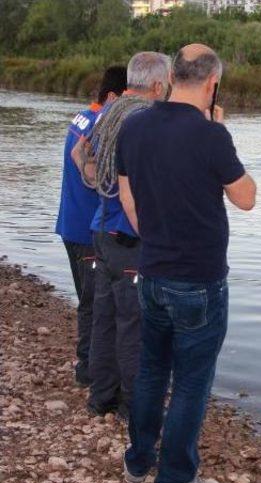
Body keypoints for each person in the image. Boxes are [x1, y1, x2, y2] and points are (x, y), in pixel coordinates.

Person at [117, 43, 256, 483]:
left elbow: (128, 198)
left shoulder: (133, 125)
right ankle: (174, 481)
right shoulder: (211, 136)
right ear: (213, 83)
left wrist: (155, 238)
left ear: (172, 76)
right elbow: (246, 197)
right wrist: (222, 131)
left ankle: (139, 462)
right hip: (199, 279)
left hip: (152, 272)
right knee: (193, 382)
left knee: (152, 371)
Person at [76, 52, 171, 419]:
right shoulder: (143, 120)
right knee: (133, 326)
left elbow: (80, 157)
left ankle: (101, 398)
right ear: (159, 85)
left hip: (102, 229)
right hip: (128, 235)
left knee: (105, 318)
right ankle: (134, 407)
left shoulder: (107, 114)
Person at [55, 66, 127, 387]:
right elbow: (97, 174)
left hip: (71, 223)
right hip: (87, 229)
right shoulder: (102, 123)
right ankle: (89, 369)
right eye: (126, 100)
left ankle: (90, 367)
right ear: (112, 97)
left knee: (88, 300)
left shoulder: (82, 117)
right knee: (93, 304)